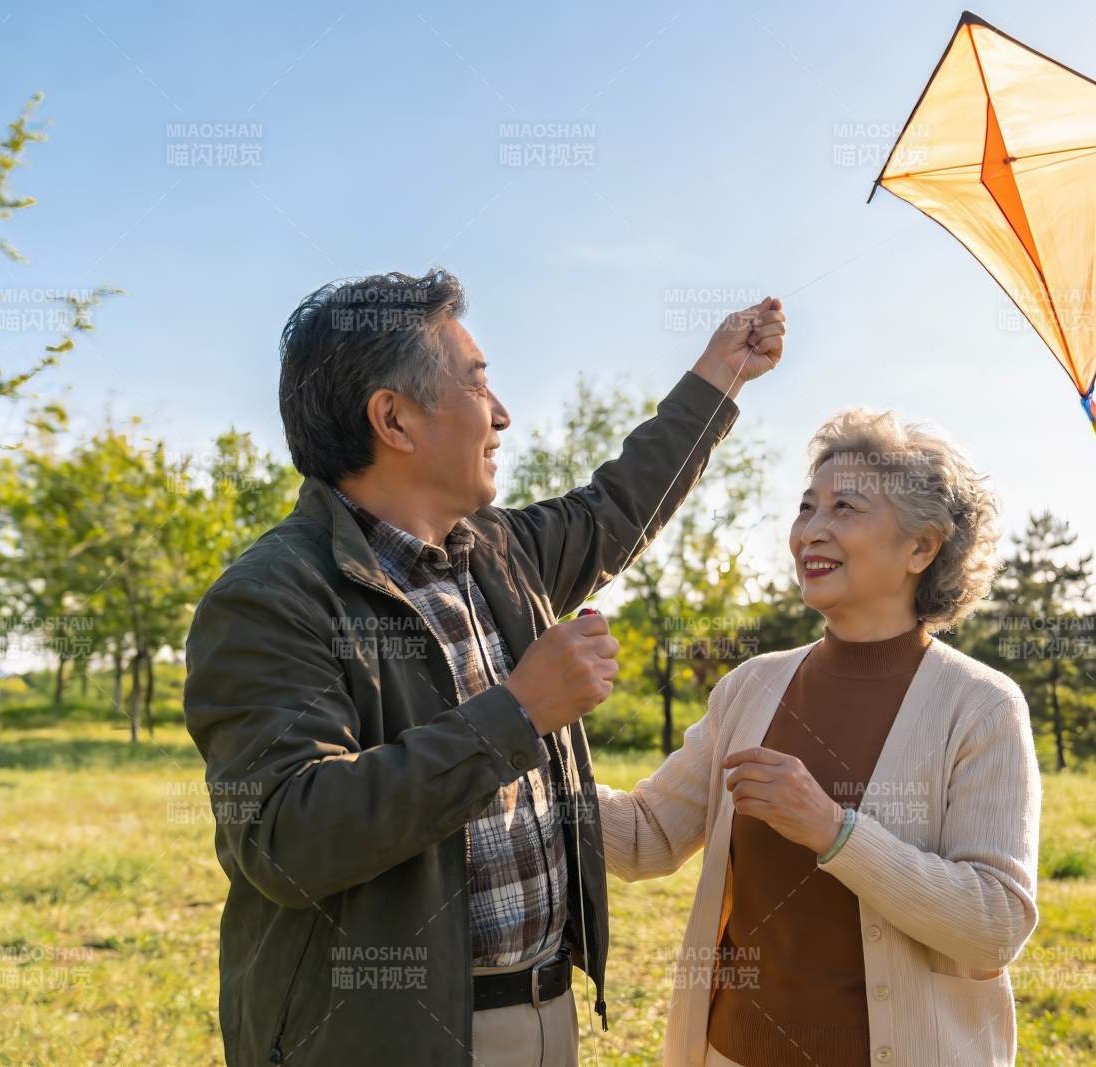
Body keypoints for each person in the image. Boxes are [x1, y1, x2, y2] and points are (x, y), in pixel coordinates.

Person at [183, 268, 785, 1066]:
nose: (501, 415)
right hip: (385, 1039)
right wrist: (518, 712)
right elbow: (285, 837)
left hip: (543, 1011)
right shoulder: (271, 597)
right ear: (393, 418)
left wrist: (720, 377)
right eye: (477, 385)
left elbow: (618, 505)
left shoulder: (500, 553)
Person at [598, 408, 1042, 1066]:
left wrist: (836, 831)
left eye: (844, 507)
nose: (811, 530)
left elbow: (995, 924)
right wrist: (520, 739)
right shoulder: (752, 686)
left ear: (922, 547)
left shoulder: (980, 706)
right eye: (807, 507)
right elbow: (645, 836)